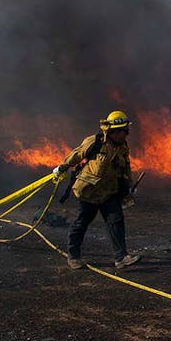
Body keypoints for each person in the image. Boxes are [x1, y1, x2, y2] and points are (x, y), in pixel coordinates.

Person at [53, 110, 141, 270]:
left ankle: (121, 257)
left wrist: (128, 186)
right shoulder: (95, 142)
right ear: (113, 131)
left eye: (126, 131)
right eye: (123, 131)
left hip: (109, 192)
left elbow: (125, 168)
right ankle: (74, 257)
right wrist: (62, 167)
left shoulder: (122, 147)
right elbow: (77, 154)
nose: (126, 134)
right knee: (81, 223)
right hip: (89, 192)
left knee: (116, 221)